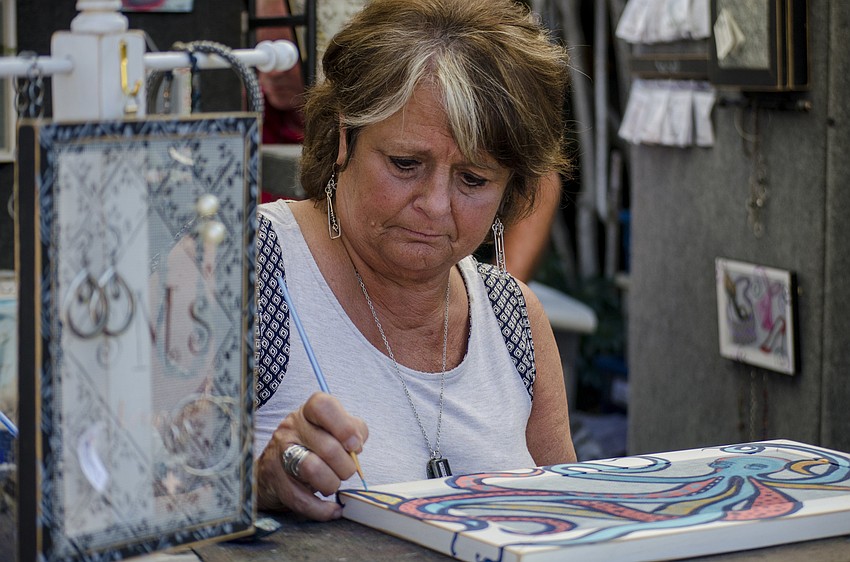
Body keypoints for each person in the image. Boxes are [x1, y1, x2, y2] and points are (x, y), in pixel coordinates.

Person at [254, 0, 576, 521]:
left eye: (474, 179)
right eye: (405, 164)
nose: (436, 204)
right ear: (346, 137)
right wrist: (256, 482)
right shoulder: (252, 270)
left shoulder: (512, 318)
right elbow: (136, 492)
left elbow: (566, 518)